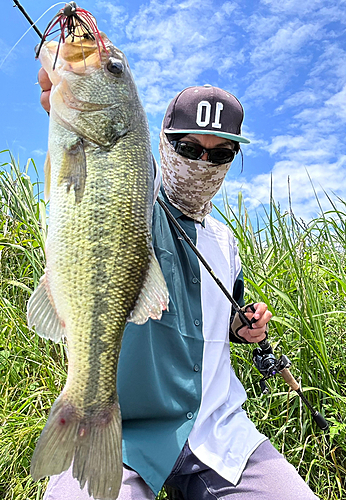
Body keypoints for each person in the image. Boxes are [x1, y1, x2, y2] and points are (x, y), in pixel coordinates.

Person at [38, 72, 318, 500]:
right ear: (164, 147)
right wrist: (75, 96)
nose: (202, 164)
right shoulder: (136, 200)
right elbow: (104, 165)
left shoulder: (226, 244)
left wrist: (242, 330)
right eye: (189, 148)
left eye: (220, 154)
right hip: (119, 430)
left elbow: (223, 318)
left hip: (219, 430)